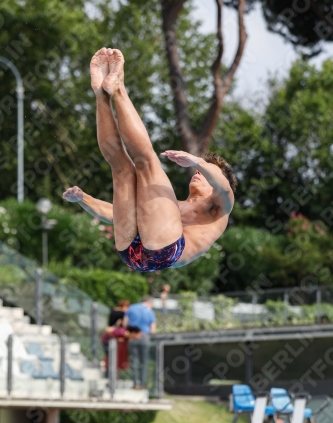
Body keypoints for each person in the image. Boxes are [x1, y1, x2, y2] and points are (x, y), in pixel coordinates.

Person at [62, 47, 237, 273]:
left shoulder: (220, 208)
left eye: (204, 173)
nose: (197, 173)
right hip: (130, 253)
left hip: (165, 252)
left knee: (147, 161)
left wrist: (198, 161)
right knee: (122, 169)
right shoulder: (174, 206)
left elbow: (223, 188)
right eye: (199, 171)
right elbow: (112, 213)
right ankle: (101, 95)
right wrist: (82, 199)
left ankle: (119, 89)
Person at [124, 297, 156, 389]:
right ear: (149, 303)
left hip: (132, 337)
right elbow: (153, 330)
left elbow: (125, 324)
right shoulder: (150, 311)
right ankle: (142, 384)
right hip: (145, 337)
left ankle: (135, 384)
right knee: (144, 362)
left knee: (133, 361)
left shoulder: (131, 308)